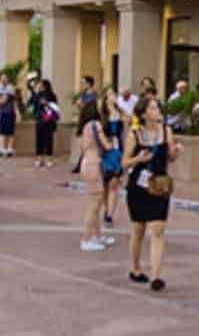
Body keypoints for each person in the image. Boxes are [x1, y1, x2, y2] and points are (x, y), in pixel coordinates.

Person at [124, 95, 183, 290]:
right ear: (143, 113)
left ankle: (156, 275)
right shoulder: (135, 134)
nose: (156, 111)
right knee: (138, 229)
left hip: (159, 184)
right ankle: (135, 267)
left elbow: (170, 157)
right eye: (152, 108)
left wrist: (175, 152)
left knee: (158, 228)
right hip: (138, 186)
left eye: (157, 107)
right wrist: (138, 159)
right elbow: (124, 163)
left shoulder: (166, 132)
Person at [77, 99, 114, 251]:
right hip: (94, 164)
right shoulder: (96, 125)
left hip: (86, 163)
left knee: (96, 203)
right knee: (94, 204)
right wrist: (112, 144)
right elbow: (106, 145)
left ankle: (97, 236)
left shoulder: (84, 128)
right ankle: (86, 238)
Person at [101, 87, 125, 228]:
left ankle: (110, 214)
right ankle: (106, 208)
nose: (114, 96)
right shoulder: (102, 116)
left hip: (118, 150)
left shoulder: (121, 113)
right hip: (106, 152)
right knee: (105, 184)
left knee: (114, 183)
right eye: (110, 94)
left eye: (114, 93)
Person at [29, 78, 59, 168]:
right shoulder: (37, 95)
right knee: (39, 140)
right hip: (39, 120)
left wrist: (47, 103)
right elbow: (31, 104)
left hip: (49, 120)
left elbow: (55, 107)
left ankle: (49, 159)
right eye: (39, 85)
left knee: (48, 140)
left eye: (41, 85)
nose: (40, 87)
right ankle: (39, 159)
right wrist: (35, 93)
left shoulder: (52, 95)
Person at [0, 73, 18, 157]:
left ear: (7, 79)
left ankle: (9, 148)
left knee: (10, 131)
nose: (3, 80)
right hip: (1, 112)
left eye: (5, 78)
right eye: (2, 78)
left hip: (10, 112)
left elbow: (4, 100)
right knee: (1, 131)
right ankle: (1, 148)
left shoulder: (11, 88)